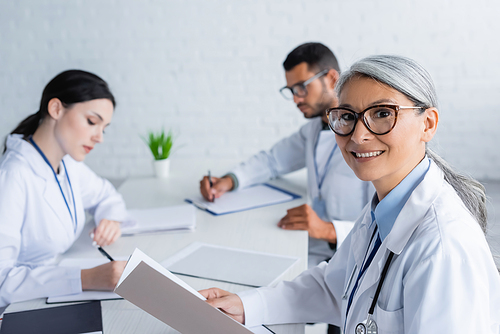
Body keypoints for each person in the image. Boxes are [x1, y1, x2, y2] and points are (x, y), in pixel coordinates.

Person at [200, 55, 500, 333]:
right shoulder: (383, 209)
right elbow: (334, 287)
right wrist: (246, 305)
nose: (358, 135)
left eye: (383, 113)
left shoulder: (443, 250)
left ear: (428, 124)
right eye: (347, 116)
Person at [199, 42, 373, 268]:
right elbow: (272, 161)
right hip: (314, 250)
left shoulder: (369, 140)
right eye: (291, 90)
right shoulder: (312, 131)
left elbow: (386, 223)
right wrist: (229, 180)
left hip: (356, 259)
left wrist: (328, 230)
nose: (296, 99)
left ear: (331, 79)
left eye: (302, 87)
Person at [0, 70, 128, 307]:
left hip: (51, 293)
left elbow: (108, 196)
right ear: (56, 109)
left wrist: (110, 218)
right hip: (18, 307)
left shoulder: (66, 163)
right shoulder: (12, 176)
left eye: (104, 128)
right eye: (92, 122)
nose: (99, 137)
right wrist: (87, 278)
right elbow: (1, 282)